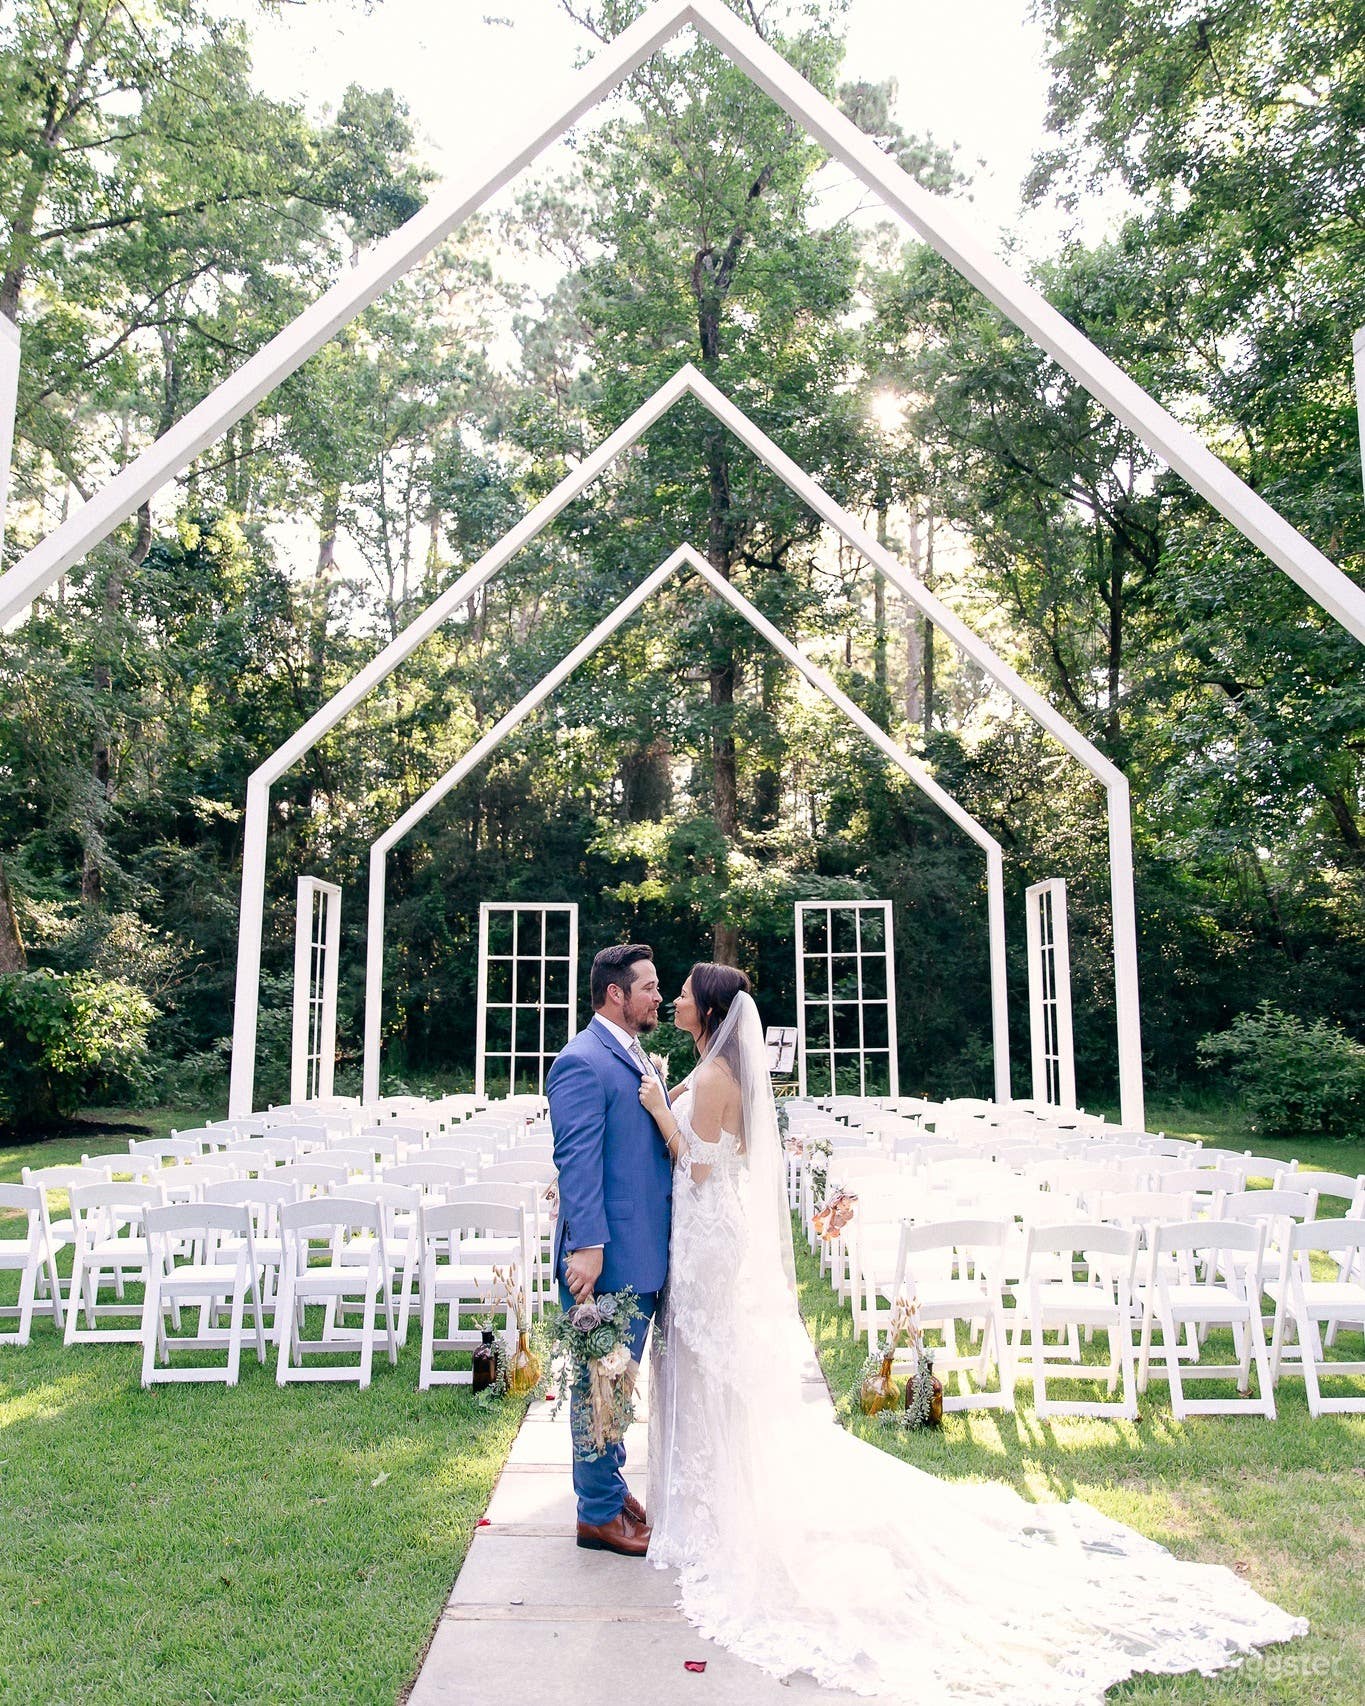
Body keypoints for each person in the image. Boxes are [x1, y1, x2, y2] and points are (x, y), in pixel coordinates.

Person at [637, 964, 1307, 1703]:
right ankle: (709, 1494)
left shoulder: (716, 1078)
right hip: (705, 1236)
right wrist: (668, 1093)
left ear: (708, 1010)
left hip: (707, 1235)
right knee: (711, 1364)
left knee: (713, 1361)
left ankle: (716, 1506)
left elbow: (701, 1169)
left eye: (683, 993)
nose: (674, 999)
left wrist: (661, 1112)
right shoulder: (718, 1069)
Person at [546, 942, 672, 1558]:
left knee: (617, 1383)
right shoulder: (581, 1061)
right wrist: (588, 1249)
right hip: (609, 1257)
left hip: (640, 1247)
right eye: (648, 987)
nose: (658, 996)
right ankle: (596, 1514)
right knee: (600, 1383)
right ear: (615, 994)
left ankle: (609, 1488)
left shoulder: (629, 1050)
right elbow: (576, 1164)